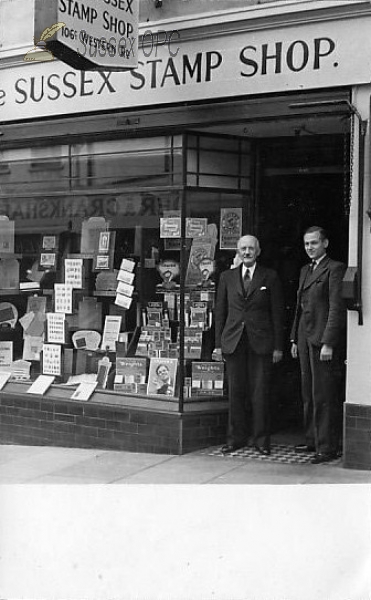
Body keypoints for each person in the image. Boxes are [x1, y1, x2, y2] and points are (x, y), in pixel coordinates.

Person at [213, 234, 285, 455]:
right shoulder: (227, 277)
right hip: (233, 342)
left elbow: (278, 313)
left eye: (251, 249)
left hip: (261, 343)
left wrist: (278, 347)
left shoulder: (269, 276)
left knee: (259, 392)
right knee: (236, 392)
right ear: (237, 250)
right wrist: (218, 345)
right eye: (243, 248)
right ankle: (236, 439)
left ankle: (261, 440)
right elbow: (220, 312)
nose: (246, 252)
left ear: (258, 251)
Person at [290, 226, 347, 464]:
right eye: (306, 244)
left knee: (323, 393)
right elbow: (299, 307)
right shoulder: (305, 270)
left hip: (321, 340)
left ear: (325, 243)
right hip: (305, 337)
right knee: (308, 392)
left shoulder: (334, 268)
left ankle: (327, 446)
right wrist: (294, 338)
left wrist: (328, 342)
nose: (310, 248)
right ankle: (312, 439)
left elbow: (336, 308)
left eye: (314, 243)